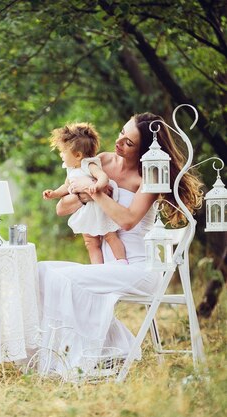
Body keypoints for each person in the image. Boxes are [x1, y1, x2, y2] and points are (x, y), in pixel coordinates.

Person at [36, 112, 203, 378]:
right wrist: (86, 196)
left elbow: (126, 221)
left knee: (68, 279)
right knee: (42, 270)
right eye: (121, 134)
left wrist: (97, 193)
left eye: (129, 142)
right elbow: (61, 207)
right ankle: (108, 351)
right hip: (107, 266)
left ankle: (93, 357)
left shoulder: (149, 178)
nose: (119, 142)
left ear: (145, 150)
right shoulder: (100, 162)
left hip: (137, 267)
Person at [42, 123, 127, 264]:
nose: (61, 155)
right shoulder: (70, 170)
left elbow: (103, 177)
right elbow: (66, 186)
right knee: (90, 243)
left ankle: (122, 261)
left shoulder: (88, 165)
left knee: (110, 235)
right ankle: (97, 268)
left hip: (100, 209)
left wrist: (97, 186)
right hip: (86, 211)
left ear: (78, 155)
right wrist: (54, 194)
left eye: (63, 152)